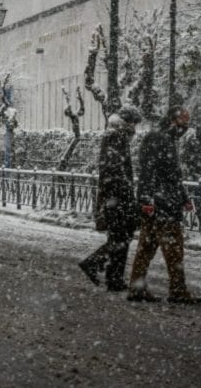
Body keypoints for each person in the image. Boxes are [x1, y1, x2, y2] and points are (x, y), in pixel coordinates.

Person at [127, 105, 201, 304]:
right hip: (163, 203)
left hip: (161, 201)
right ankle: (177, 290)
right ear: (172, 120)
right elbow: (149, 171)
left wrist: (184, 198)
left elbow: (170, 175)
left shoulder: (164, 138)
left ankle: (137, 288)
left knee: (147, 247)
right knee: (174, 249)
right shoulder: (160, 139)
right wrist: (146, 199)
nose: (186, 126)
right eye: (183, 122)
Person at [79, 106, 142, 292]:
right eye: (134, 123)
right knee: (121, 237)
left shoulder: (115, 135)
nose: (136, 128)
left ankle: (112, 276)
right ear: (128, 122)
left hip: (115, 196)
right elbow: (115, 170)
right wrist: (124, 194)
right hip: (117, 197)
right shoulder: (117, 137)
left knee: (120, 237)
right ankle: (98, 267)